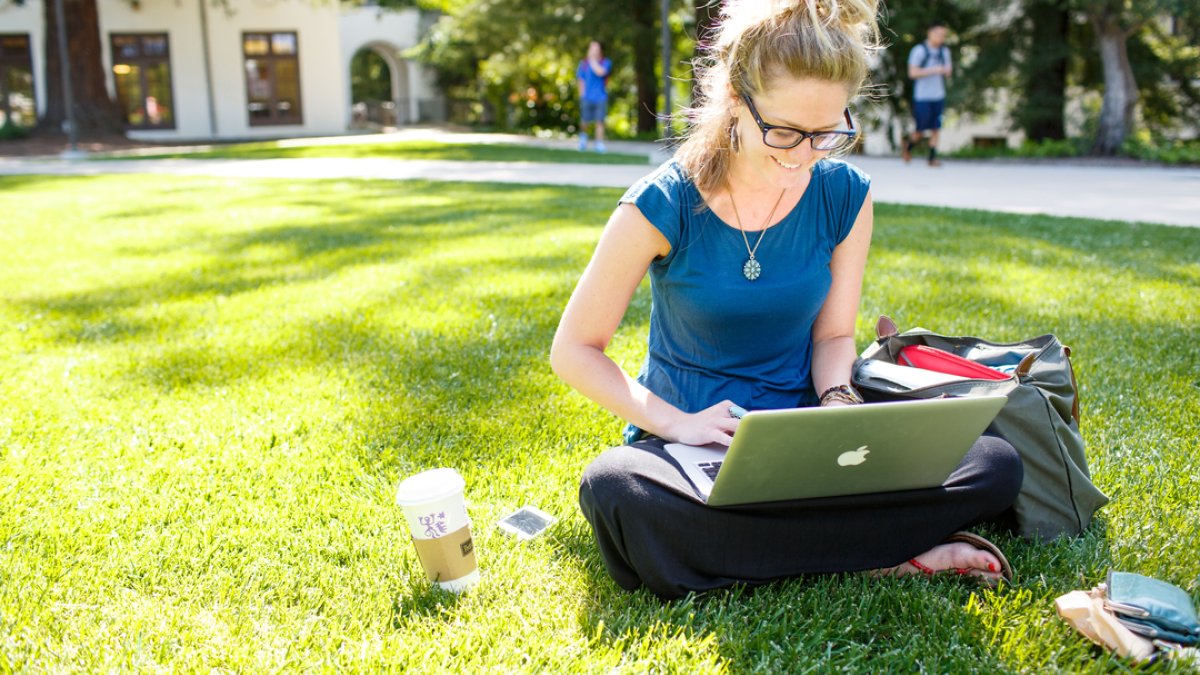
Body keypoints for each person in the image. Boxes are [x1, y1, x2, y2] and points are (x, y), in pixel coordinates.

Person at [550, 0, 1022, 600]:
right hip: (688, 451)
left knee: (994, 464)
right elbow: (574, 350)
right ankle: (878, 552)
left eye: (826, 133)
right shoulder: (661, 202)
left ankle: (764, 552)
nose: (803, 155)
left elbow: (832, 338)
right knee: (615, 489)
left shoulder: (845, 194)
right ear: (732, 100)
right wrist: (679, 424)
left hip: (809, 441)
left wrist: (839, 400)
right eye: (784, 132)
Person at [902, 21, 952, 167]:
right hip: (922, 97)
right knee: (920, 131)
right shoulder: (919, 50)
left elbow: (948, 71)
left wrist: (946, 71)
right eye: (938, 34)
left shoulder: (944, 52)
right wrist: (933, 70)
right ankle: (908, 147)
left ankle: (932, 158)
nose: (941, 37)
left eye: (943, 35)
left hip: (938, 95)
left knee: (936, 128)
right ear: (930, 33)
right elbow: (912, 73)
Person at [576, 40, 611, 153]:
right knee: (584, 121)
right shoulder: (583, 64)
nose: (593, 51)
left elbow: (600, 72)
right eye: (591, 48)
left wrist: (592, 60)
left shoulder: (605, 62)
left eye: (596, 48)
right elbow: (580, 80)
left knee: (599, 121)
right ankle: (583, 139)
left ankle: (599, 143)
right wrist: (582, 95)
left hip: (600, 97)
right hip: (587, 97)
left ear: (600, 50)